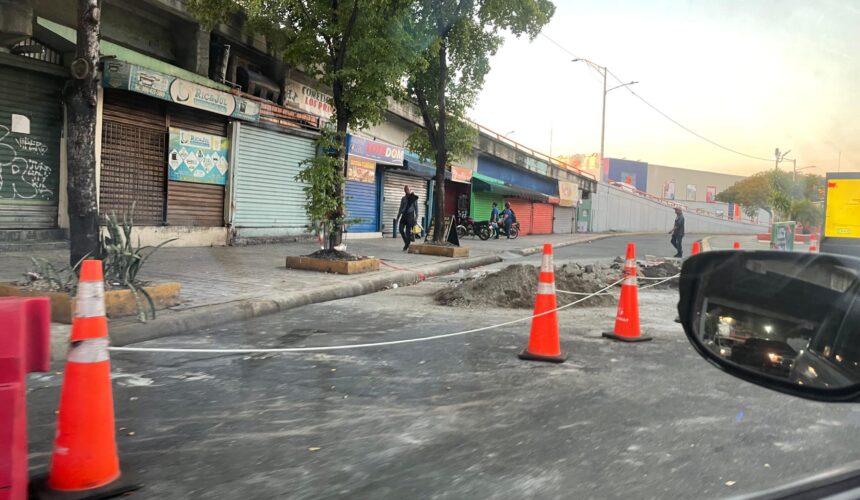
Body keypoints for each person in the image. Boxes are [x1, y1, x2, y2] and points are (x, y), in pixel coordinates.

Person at [397, 185, 419, 251]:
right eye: (405, 189)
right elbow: (400, 208)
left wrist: (416, 217)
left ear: (410, 190)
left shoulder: (413, 198)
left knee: (407, 232)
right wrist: (398, 217)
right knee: (401, 229)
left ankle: (407, 245)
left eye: (408, 189)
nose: (406, 190)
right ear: (404, 190)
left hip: (410, 216)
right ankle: (407, 242)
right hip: (404, 215)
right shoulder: (403, 198)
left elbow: (416, 208)